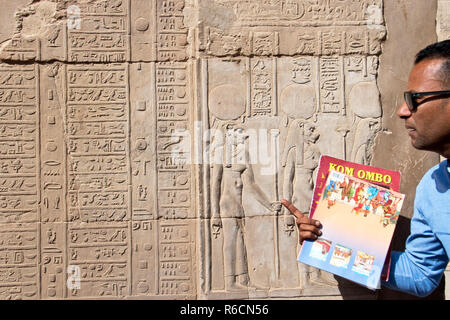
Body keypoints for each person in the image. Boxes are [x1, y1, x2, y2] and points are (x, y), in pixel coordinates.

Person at [282, 39, 450, 298]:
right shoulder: (434, 186)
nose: (403, 111)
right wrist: (333, 246)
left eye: (415, 99)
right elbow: (420, 273)